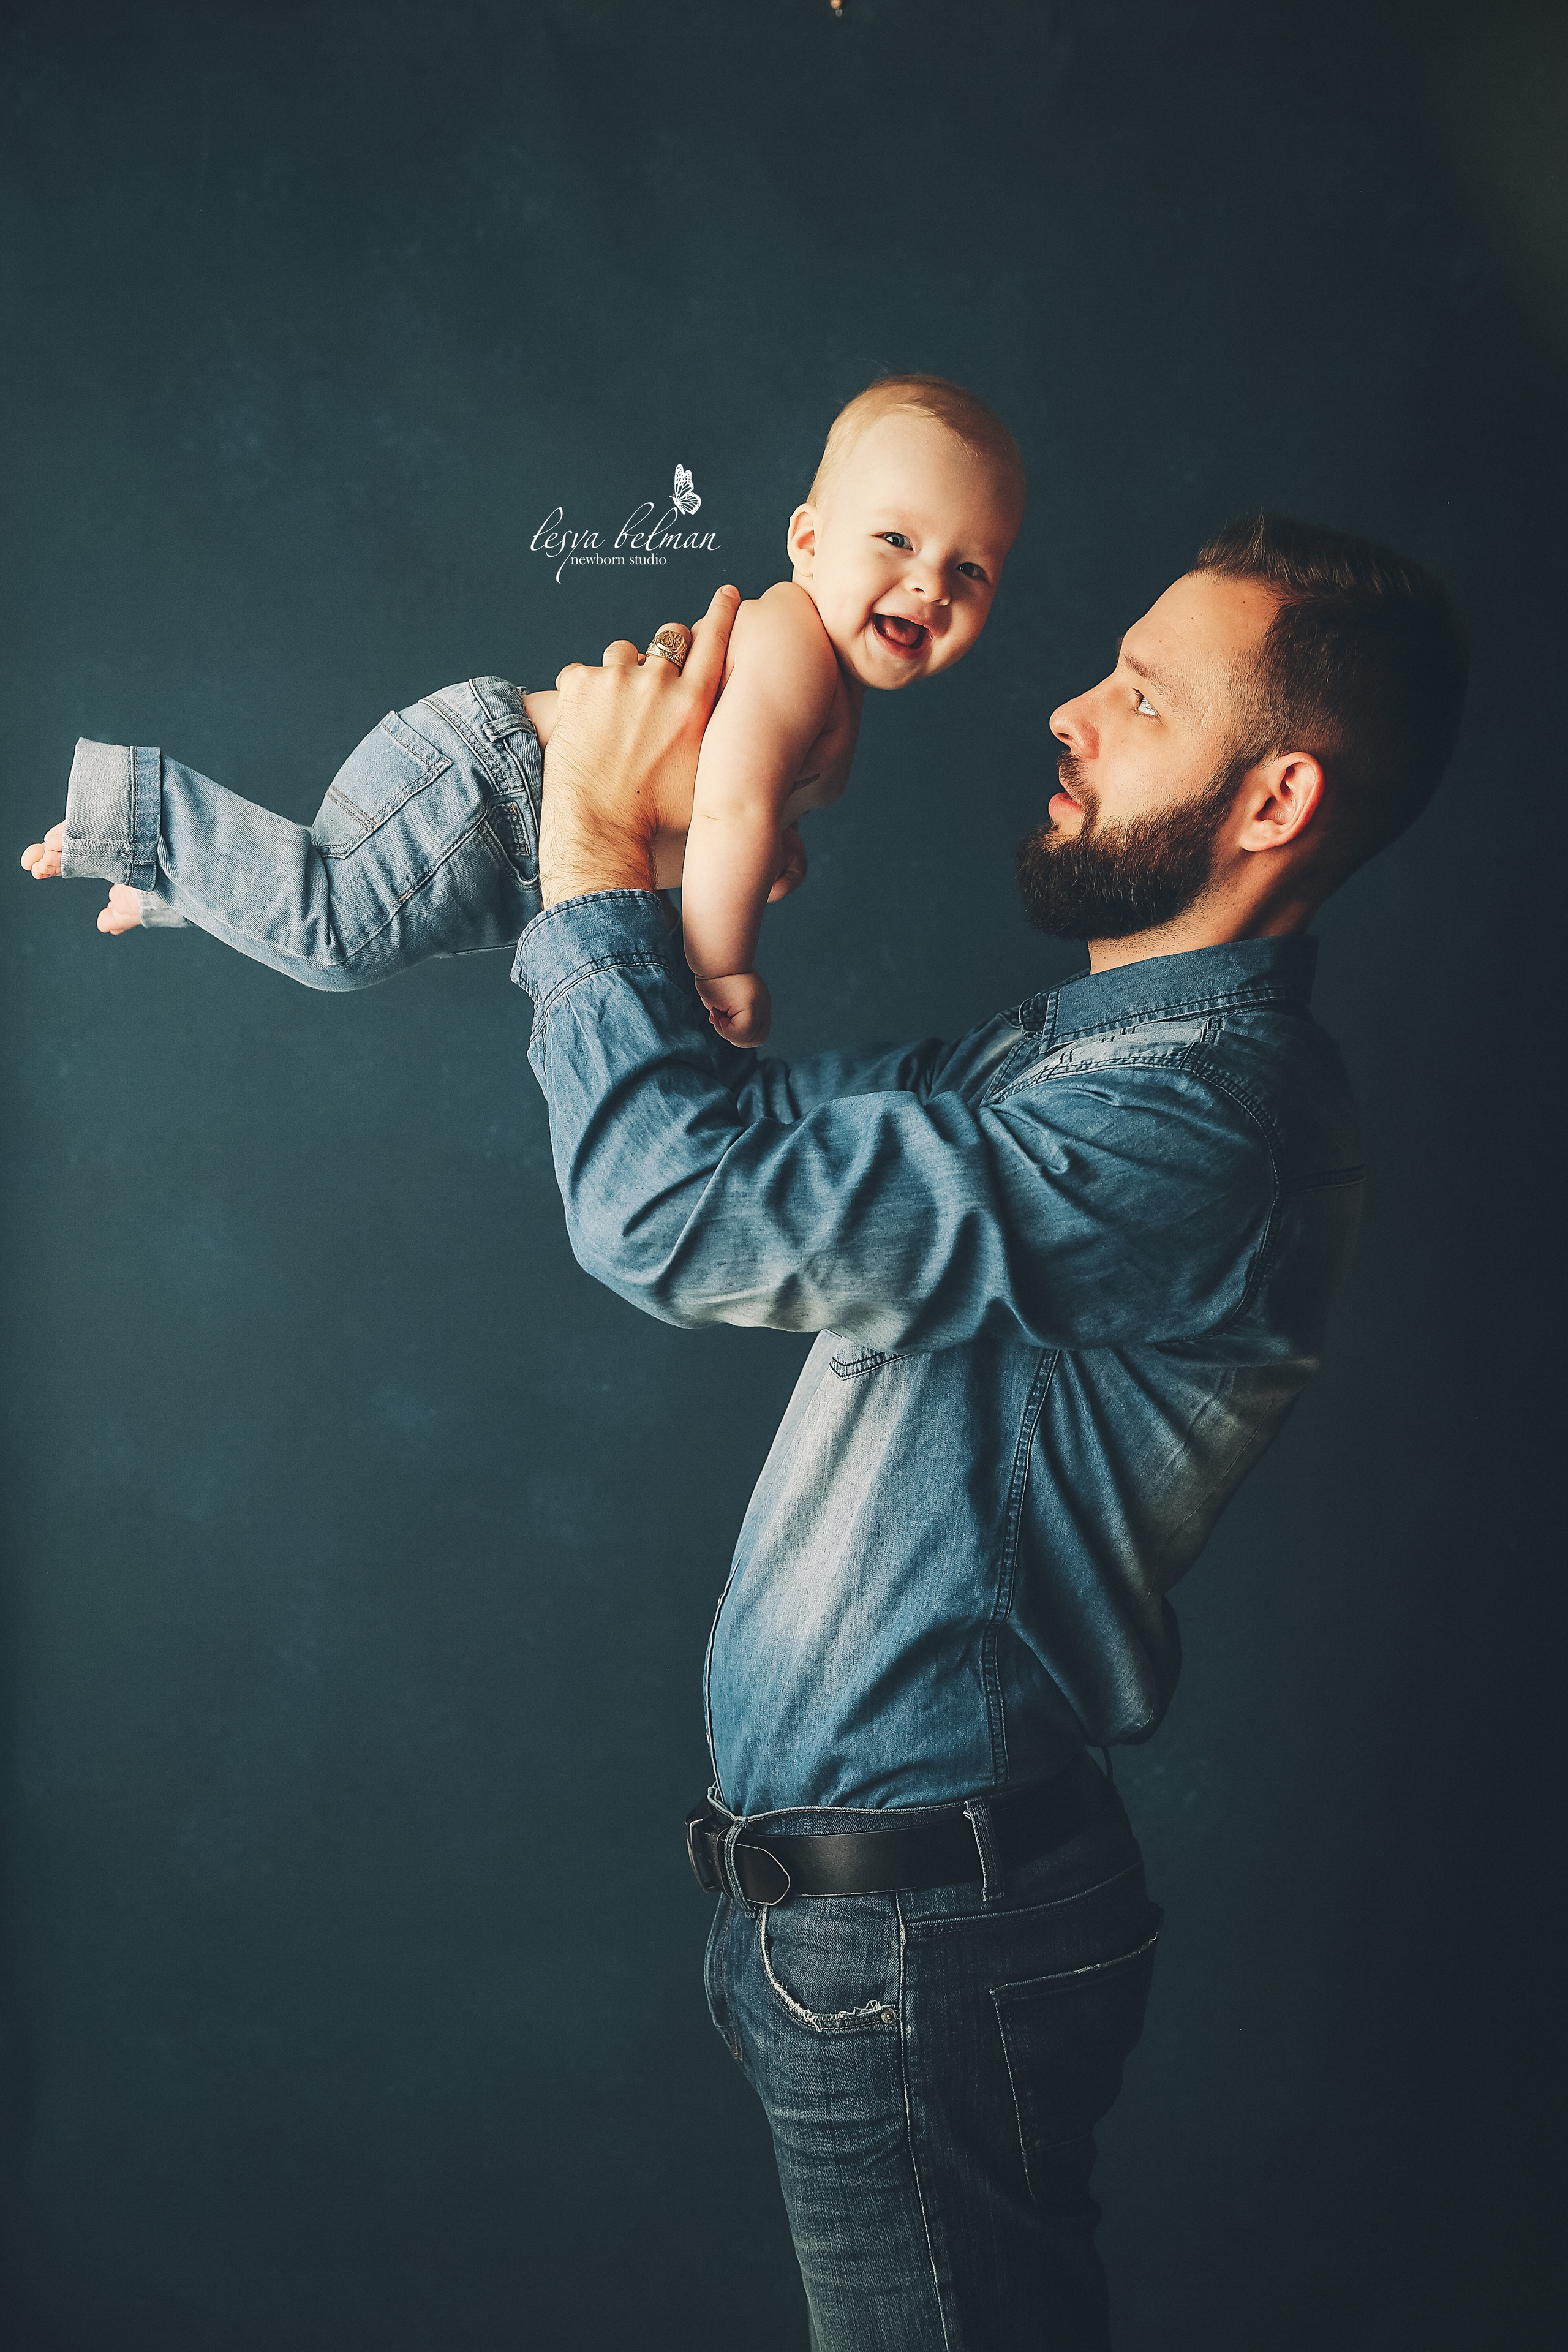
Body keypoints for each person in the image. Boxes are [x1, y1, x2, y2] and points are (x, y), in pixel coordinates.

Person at [511, 515, 1467, 2350]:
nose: (1068, 709)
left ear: (1273, 800)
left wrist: (592, 849)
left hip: (924, 1952)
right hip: (840, 1934)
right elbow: (716, 1123)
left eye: (1139, 692)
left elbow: (665, 1210)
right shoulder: (1065, 1058)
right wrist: (684, 807)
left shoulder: (1205, 1127)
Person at [20, 374, 1023, 1047]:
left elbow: (748, 800)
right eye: (895, 538)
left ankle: (180, 880)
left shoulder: (820, 683)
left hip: (522, 839)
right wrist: (720, 969)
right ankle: (139, 815)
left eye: (969, 569)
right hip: (497, 792)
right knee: (336, 941)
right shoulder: (797, 645)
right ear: (807, 539)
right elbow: (730, 808)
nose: (931, 584)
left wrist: (778, 845)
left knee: (348, 915)